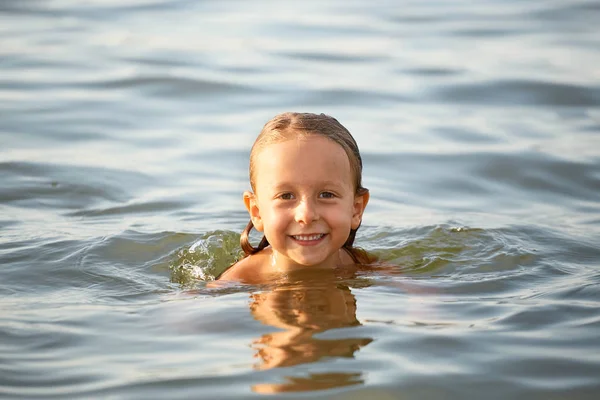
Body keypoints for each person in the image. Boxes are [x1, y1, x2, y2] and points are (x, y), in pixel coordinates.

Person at [217, 112, 372, 283]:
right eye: (286, 196)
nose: (306, 215)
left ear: (356, 209)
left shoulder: (363, 266)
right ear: (257, 212)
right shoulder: (239, 280)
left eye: (326, 195)